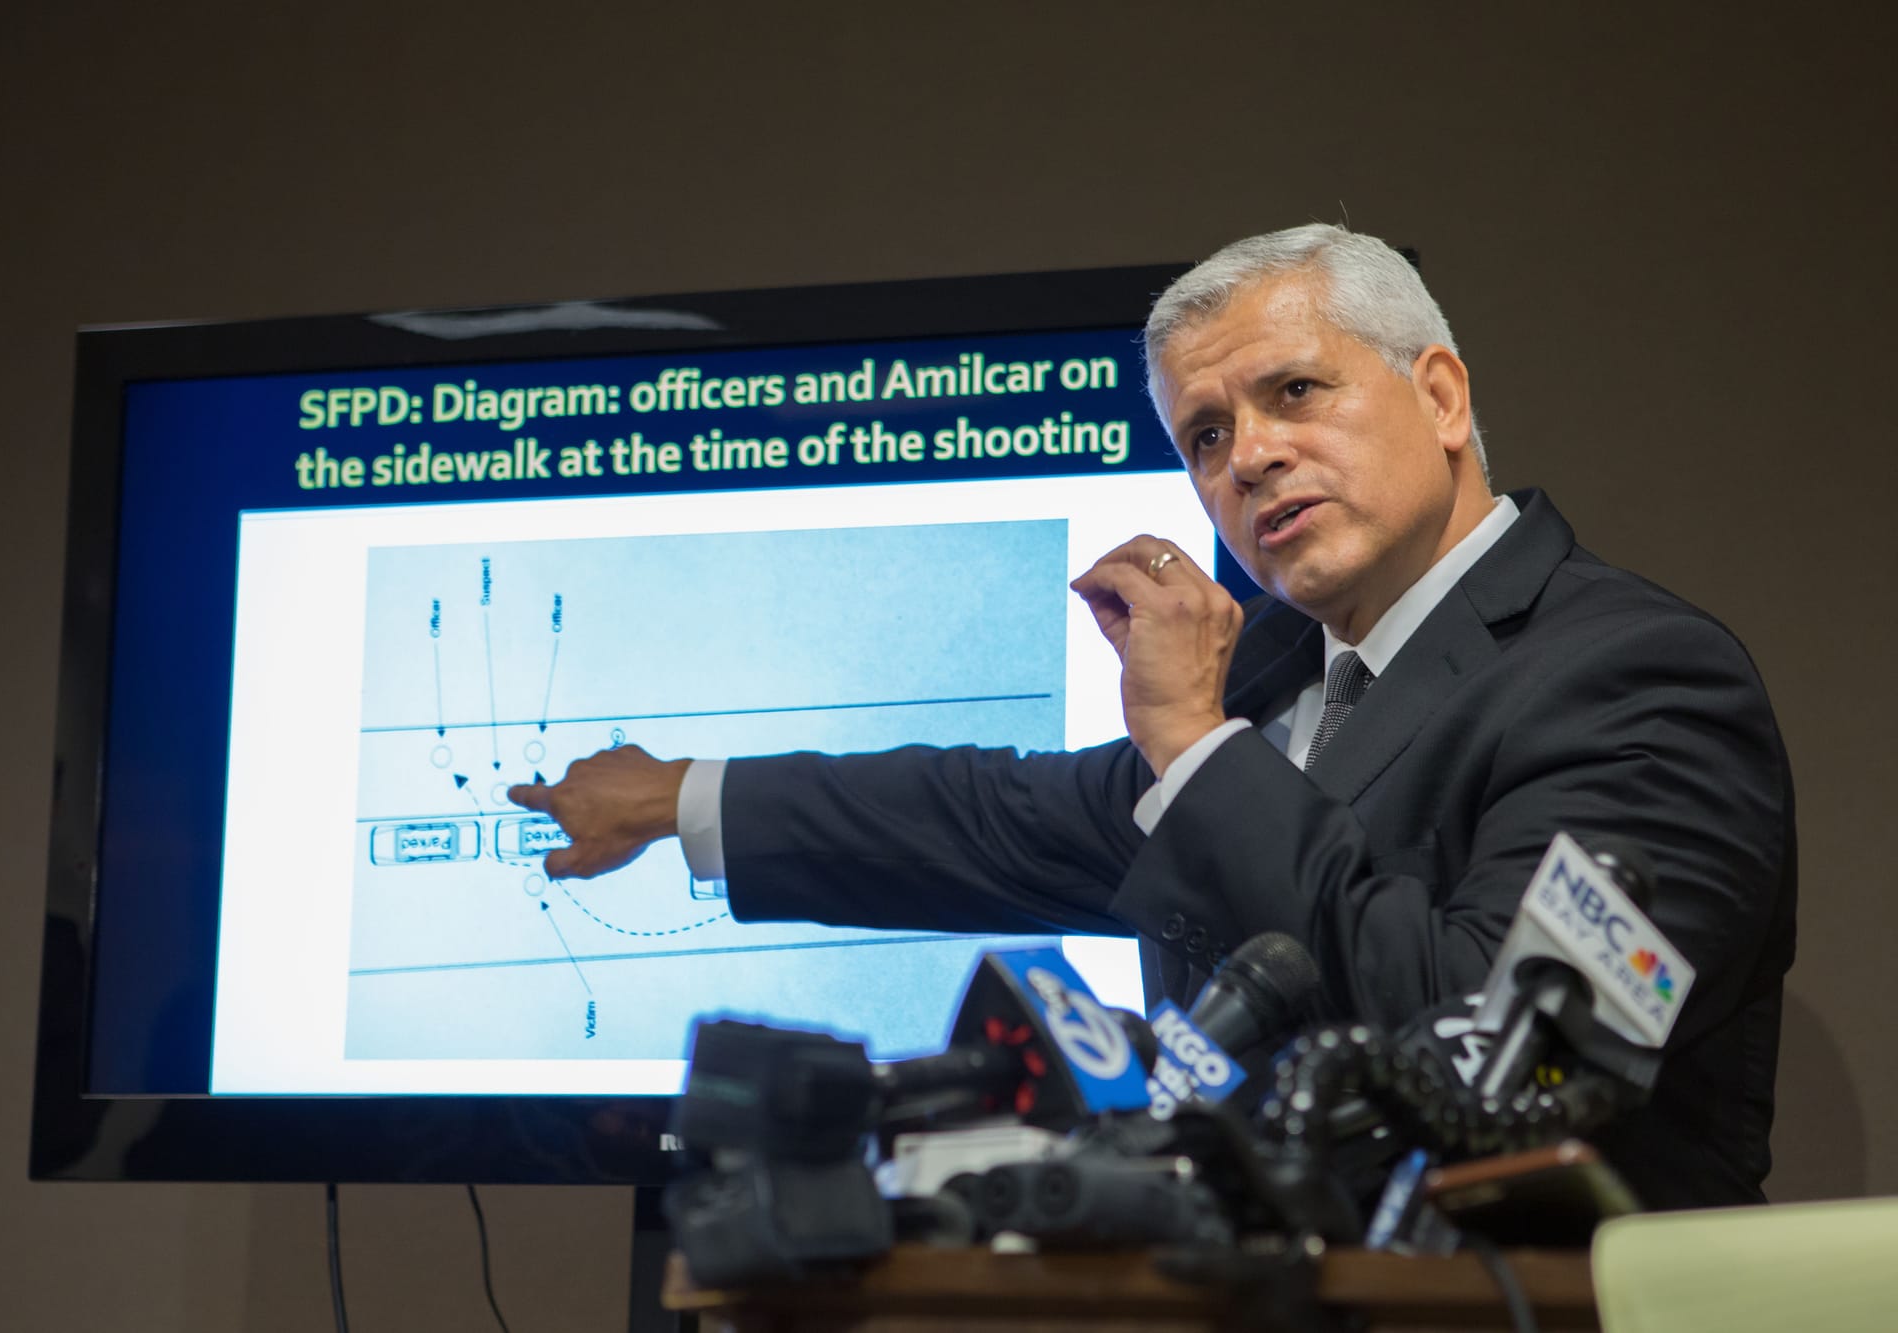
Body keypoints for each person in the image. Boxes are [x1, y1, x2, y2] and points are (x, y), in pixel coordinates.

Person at [508, 224, 1795, 1209]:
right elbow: (987, 816)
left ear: (1442, 397)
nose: (1245, 457)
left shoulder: (1640, 678)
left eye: (1294, 393)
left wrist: (1191, 742)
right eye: (1201, 433)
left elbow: (1474, 1050)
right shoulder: (1282, 681)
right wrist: (678, 793)